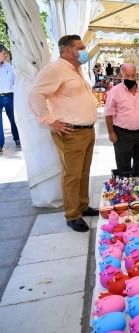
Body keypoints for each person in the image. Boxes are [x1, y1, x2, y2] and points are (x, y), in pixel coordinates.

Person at [28, 34, 98, 232]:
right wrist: (50, 121)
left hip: (86, 131)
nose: (84, 51)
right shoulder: (56, 69)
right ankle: (72, 215)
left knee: (84, 172)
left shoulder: (76, 69)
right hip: (71, 132)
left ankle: (83, 206)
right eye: (80, 48)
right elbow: (35, 94)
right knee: (72, 175)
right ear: (67, 51)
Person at [104, 63, 139, 177]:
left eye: (133, 76)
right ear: (121, 76)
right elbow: (108, 114)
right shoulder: (114, 91)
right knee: (123, 165)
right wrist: (111, 132)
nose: (130, 79)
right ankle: (126, 190)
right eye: (127, 76)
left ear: (137, 76)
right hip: (122, 134)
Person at [0, 44, 20, 152]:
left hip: (9, 96)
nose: (5, 55)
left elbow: (15, 81)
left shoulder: (8, 67)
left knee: (14, 119)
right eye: (3, 53)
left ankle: (17, 138)